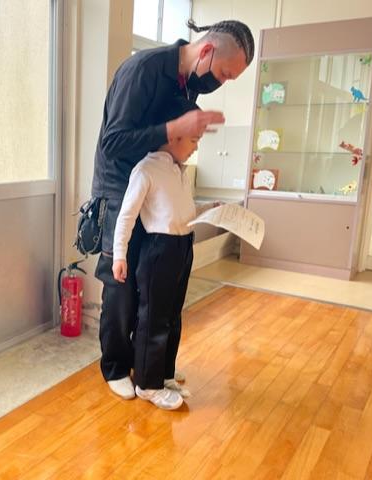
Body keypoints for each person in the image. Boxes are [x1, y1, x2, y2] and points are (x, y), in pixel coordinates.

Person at [92, 19, 254, 400]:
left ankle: (147, 365)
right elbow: (113, 142)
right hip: (120, 188)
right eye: (224, 74)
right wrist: (174, 127)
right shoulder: (142, 71)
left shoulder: (186, 85)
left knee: (150, 286)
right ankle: (114, 365)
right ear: (207, 50)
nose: (222, 83)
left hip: (156, 188)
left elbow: (170, 143)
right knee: (121, 282)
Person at [112, 104, 220, 409]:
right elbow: (126, 216)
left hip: (183, 246)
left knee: (173, 315)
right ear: (174, 137)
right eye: (194, 141)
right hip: (159, 250)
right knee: (154, 318)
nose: (196, 148)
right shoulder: (146, 170)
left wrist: (208, 209)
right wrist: (119, 255)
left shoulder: (179, 170)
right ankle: (147, 384)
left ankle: (164, 373)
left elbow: (181, 211)